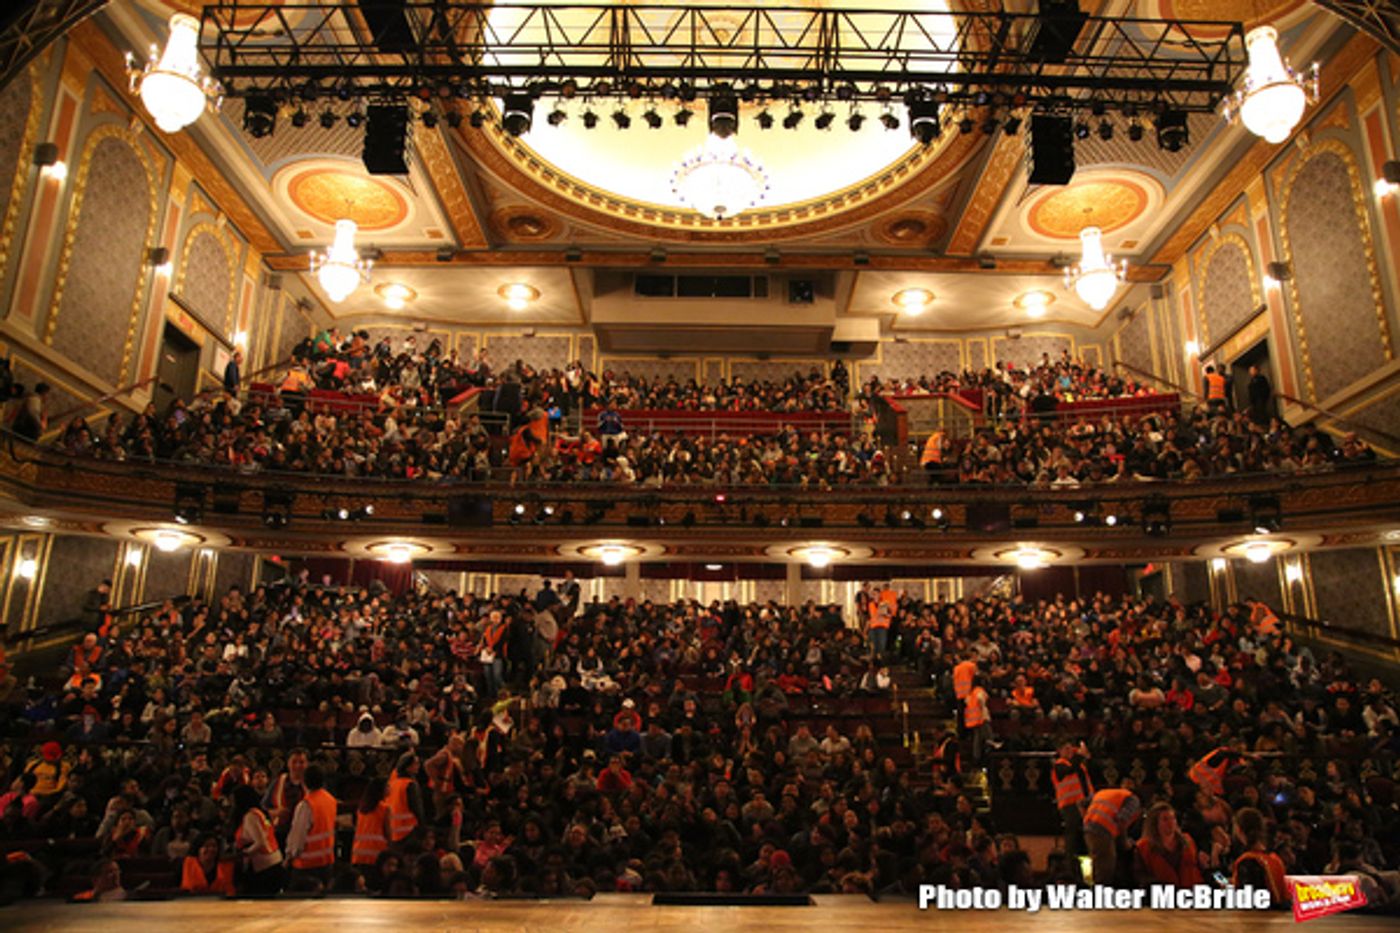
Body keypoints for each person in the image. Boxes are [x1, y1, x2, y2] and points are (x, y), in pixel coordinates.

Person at [285, 765, 337, 889]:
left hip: (306, 865)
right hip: (326, 861)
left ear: (304, 781)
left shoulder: (306, 805)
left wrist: (289, 856)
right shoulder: (330, 799)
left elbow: (298, 837)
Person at [1133, 802, 1203, 888]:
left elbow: (1197, 866)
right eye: (1165, 819)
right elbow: (1140, 876)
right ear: (1155, 823)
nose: (1171, 822)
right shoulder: (1143, 847)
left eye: (1173, 818)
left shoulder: (1187, 840)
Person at [1231, 807, 1289, 908]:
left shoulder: (1248, 862)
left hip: (1259, 920)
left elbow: (1250, 900)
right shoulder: (1274, 858)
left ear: (1239, 830)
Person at [1083, 786, 1141, 886]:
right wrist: (1125, 843)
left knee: (1099, 864)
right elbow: (1121, 820)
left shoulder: (1103, 792)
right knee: (1106, 867)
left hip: (1088, 828)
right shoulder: (1133, 800)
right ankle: (1101, 897)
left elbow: (1081, 803)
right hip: (1103, 830)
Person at [231, 785, 283, 895]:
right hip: (274, 860)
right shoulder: (260, 813)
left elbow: (260, 842)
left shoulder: (250, 817)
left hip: (264, 866)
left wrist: (245, 853)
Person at [1051, 742, 1093, 857]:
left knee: (1086, 832)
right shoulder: (1059, 765)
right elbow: (1069, 770)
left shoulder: (1079, 764)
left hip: (1084, 802)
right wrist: (1080, 756)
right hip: (1069, 804)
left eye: (1071, 748)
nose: (1069, 751)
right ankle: (1069, 861)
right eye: (1066, 749)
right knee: (1072, 834)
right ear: (1059, 751)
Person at [386, 753, 424, 847]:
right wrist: (422, 825)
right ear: (408, 766)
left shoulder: (392, 784)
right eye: (416, 763)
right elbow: (416, 808)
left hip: (393, 830)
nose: (418, 766)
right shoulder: (410, 785)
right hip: (409, 830)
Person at [352, 778, 390, 868]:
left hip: (359, 852)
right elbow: (388, 832)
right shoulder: (384, 808)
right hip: (376, 852)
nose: (389, 788)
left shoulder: (361, 808)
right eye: (387, 786)